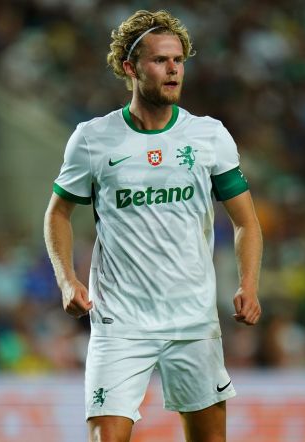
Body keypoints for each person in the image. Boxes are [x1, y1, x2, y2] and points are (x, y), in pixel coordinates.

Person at [43, 9, 262, 442]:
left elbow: (246, 222)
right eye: (160, 60)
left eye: (178, 60)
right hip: (120, 321)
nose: (173, 69)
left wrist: (249, 284)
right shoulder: (92, 139)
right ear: (131, 68)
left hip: (192, 319)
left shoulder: (209, 136)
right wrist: (67, 281)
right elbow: (57, 214)